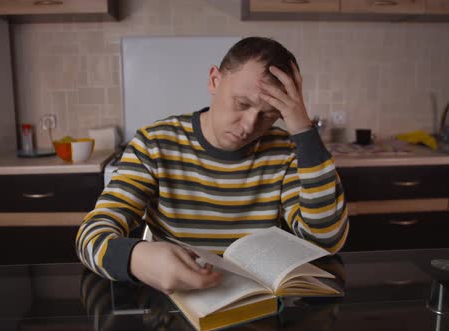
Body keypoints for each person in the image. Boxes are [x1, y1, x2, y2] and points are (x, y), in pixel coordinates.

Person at [76, 36, 349, 295]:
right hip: (175, 307)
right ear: (214, 80)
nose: (248, 126)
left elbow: (325, 242)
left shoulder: (286, 152)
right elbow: (91, 236)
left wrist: (302, 126)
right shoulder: (154, 144)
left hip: (258, 306)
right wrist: (137, 257)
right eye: (241, 103)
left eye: (269, 115)